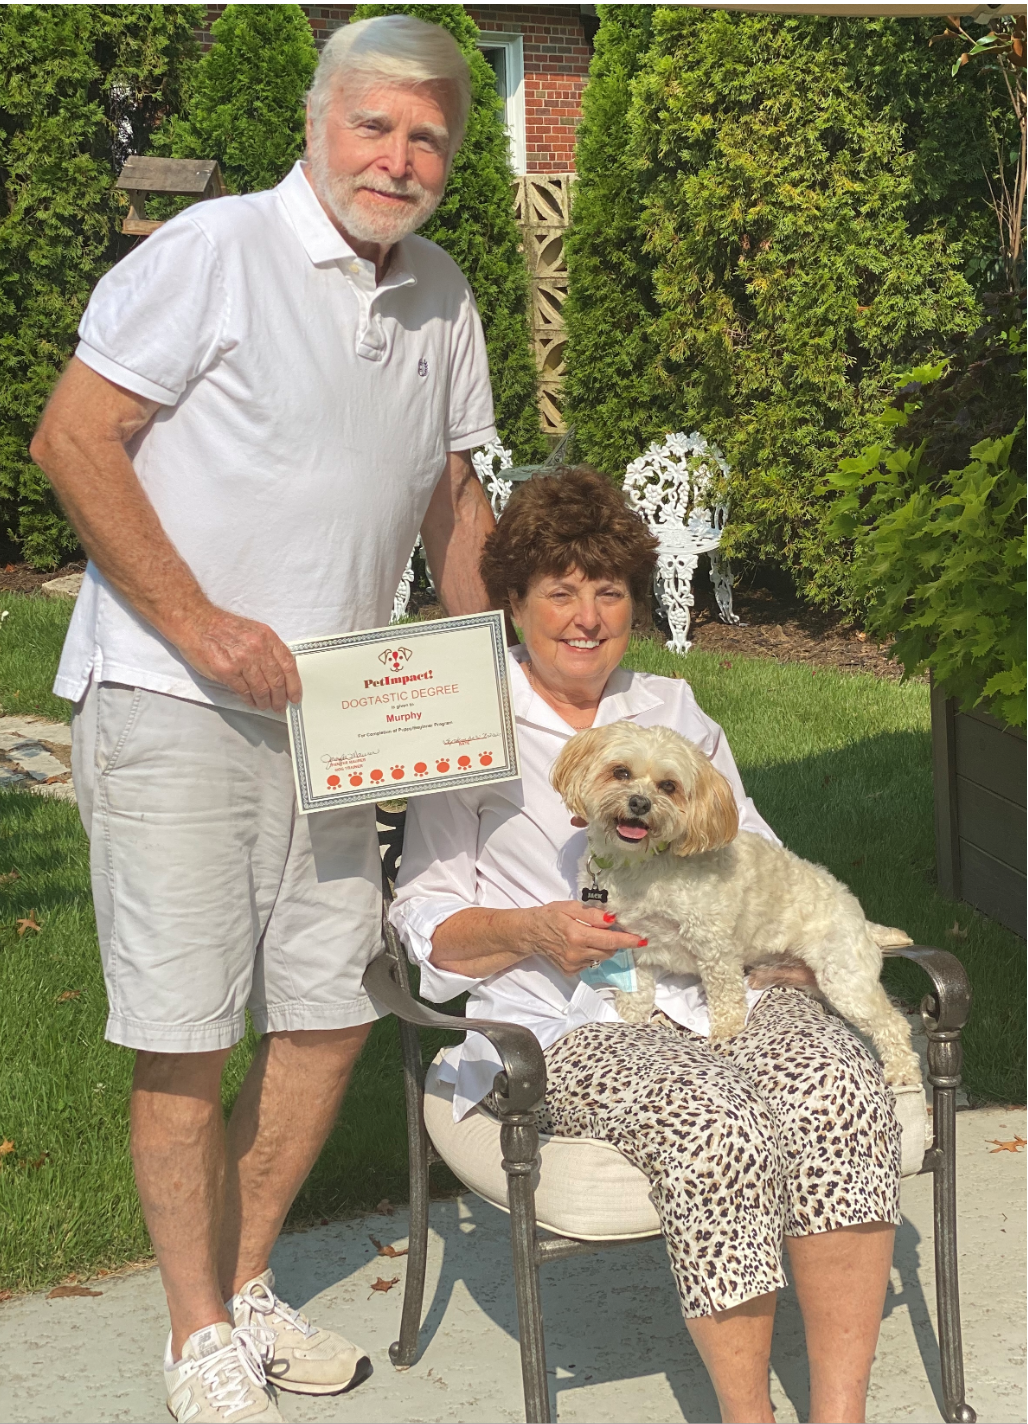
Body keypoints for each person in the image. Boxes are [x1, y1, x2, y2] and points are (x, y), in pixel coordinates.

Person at [30, 16, 498, 1422]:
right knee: (185, 1027)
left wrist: (493, 678)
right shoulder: (212, 251)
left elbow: (454, 503)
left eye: (426, 137)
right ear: (318, 123)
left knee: (325, 1012)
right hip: (176, 699)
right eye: (376, 126)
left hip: (346, 721)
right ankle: (192, 1337)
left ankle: (241, 1291)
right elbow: (72, 437)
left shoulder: (443, 294)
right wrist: (201, 624)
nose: (399, 158)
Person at [391, 468, 903, 1424]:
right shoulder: (463, 717)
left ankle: (843, 1416)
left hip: (712, 983)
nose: (586, 616)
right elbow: (425, 917)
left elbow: (753, 845)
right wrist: (532, 929)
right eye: (561, 591)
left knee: (837, 1083)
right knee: (713, 1123)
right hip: (565, 1013)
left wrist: (787, 944)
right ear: (514, 603)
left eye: (609, 591)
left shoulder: (672, 706)